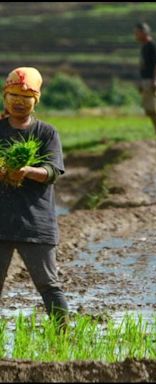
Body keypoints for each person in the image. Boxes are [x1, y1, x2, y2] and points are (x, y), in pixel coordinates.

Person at [0, 67, 69, 328]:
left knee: (48, 284)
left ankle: (64, 338)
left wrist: (27, 171)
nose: (19, 102)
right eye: (14, 95)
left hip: (35, 223)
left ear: (36, 100)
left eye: (26, 97)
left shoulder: (46, 133)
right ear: (5, 96)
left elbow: (52, 171)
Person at [134, 21, 156, 136]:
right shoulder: (144, 47)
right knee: (148, 109)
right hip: (146, 80)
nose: (135, 35)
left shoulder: (152, 46)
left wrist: (155, 80)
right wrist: (140, 82)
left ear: (144, 33)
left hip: (152, 81)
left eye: (137, 33)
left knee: (154, 109)